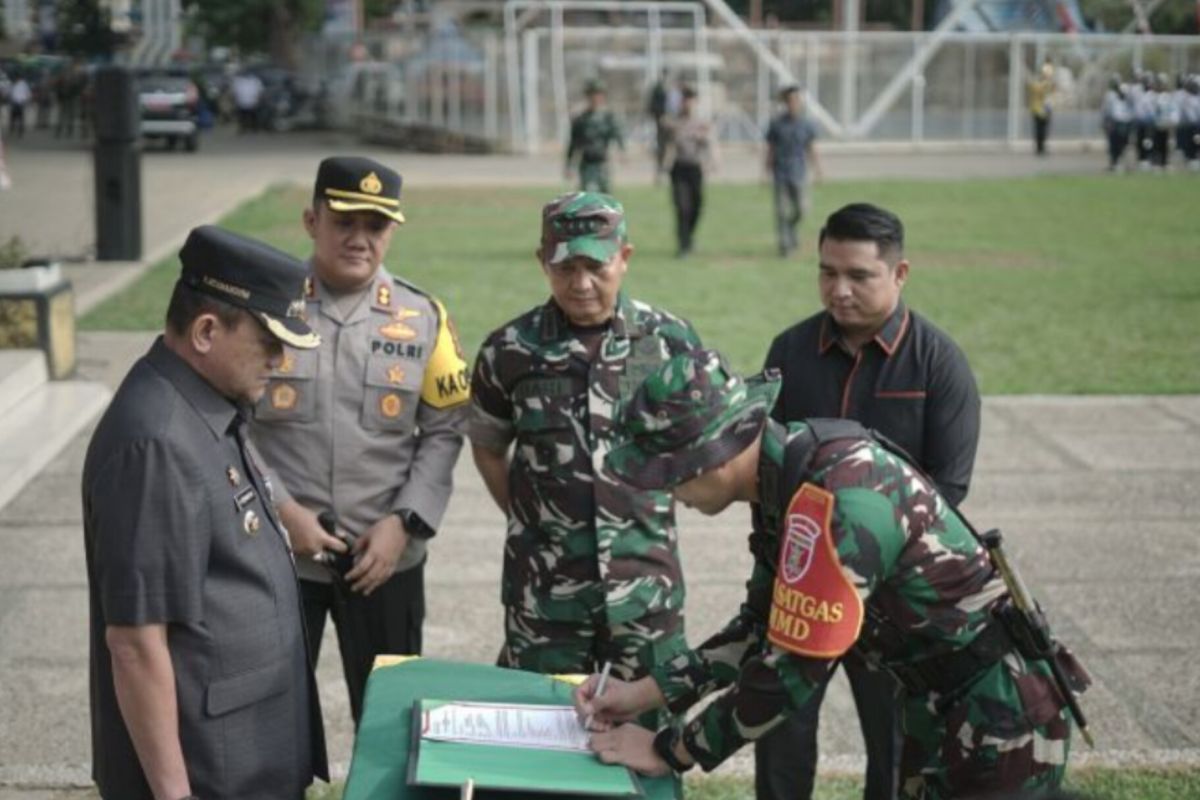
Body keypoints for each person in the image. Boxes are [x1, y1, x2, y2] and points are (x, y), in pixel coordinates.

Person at [576, 348, 1090, 800]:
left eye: (668, 478)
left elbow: (789, 674)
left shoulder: (839, 501)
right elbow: (761, 627)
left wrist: (670, 750)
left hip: (1000, 713)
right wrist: (644, 692)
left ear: (711, 457)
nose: (670, 496)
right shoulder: (785, 484)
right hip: (936, 701)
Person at [82, 225, 328, 799]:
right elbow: (136, 643)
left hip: (243, 756)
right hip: (210, 774)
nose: (281, 358)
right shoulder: (157, 443)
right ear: (206, 330)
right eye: (268, 340)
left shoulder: (204, 406)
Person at [755, 203, 982, 800]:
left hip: (892, 606)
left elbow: (949, 491)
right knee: (778, 726)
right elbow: (763, 474)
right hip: (800, 589)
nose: (840, 290)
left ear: (900, 273)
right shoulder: (789, 352)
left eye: (859, 275)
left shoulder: (939, 363)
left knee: (895, 747)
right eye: (828, 272)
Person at [248, 156, 469, 724]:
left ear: (392, 230)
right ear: (310, 220)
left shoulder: (426, 318)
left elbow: (445, 432)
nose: (359, 238)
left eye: (375, 226)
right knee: (268, 718)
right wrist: (282, 510)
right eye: (344, 221)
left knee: (391, 724)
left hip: (384, 559)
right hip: (278, 554)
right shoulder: (264, 309)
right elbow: (231, 425)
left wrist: (405, 522)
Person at [468, 191, 701, 695]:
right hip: (546, 595)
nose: (581, 283)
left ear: (624, 257)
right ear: (541, 262)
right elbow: (488, 446)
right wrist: (529, 518)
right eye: (565, 267)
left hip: (645, 591)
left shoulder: (671, 343)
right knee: (538, 738)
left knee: (649, 738)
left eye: (596, 266)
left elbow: (705, 445)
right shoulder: (509, 351)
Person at [765, 85, 822, 257]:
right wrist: (765, 170)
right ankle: (785, 246)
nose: (794, 104)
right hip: (780, 173)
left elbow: (811, 148)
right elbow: (770, 149)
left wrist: (818, 169)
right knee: (781, 211)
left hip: (799, 172)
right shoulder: (776, 124)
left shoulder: (806, 124)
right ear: (786, 103)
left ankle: (791, 229)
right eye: (790, 101)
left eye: (796, 100)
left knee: (801, 210)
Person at [664, 86, 717, 257]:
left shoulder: (702, 123)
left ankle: (690, 235)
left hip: (696, 168)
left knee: (697, 206)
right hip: (679, 168)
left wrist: (713, 161)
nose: (687, 103)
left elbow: (711, 143)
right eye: (684, 100)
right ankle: (683, 244)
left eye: (691, 100)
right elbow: (668, 144)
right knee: (682, 207)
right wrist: (664, 165)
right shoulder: (674, 122)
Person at [565, 80, 625, 194]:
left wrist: (622, 151)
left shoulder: (608, 117)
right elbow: (573, 144)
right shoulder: (581, 120)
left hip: (603, 164)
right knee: (589, 196)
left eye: (599, 95)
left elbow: (618, 134)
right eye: (593, 95)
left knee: (606, 199)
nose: (596, 98)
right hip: (587, 165)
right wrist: (569, 166)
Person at [1101, 75, 1133, 172]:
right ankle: (1114, 163)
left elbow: (1129, 114)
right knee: (1113, 146)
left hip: (1123, 124)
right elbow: (1107, 112)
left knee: (1124, 145)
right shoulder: (1111, 97)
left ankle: (1124, 164)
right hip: (1114, 124)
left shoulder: (1126, 101)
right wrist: (1106, 122)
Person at [1027, 61, 1054, 156]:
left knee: (1043, 131)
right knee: (1039, 131)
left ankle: (1041, 147)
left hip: (1045, 110)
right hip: (1038, 110)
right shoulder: (1039, 84)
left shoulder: (1046, 84)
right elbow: (1038, 91)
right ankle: (1039, 148)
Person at [7, 75, 30, 139]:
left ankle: (18, 130)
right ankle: (14, 129)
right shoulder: (15, 84)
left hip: (19, 103)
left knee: (18, 118)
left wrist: (26, 101)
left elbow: (27, 94)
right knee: (16, 117)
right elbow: (11, 93)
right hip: (17, 103)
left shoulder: (23, 85)